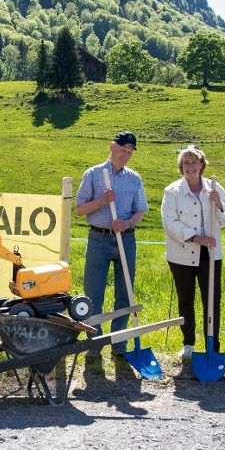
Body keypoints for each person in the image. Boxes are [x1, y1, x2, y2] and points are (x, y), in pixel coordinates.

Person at [75, 131, 149, 361]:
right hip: (98, 239)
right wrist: (102, 201)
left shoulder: (134, 179)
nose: (125, 155)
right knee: (93, 294)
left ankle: (119, 344)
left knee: (125, 293)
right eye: (123, 150)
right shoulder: (94, 174)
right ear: (111, 147)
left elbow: (141, 211)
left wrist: (127, 223)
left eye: (129, 152)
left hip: (125, 239)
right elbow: (79, 209)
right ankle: (94, 344)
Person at [161, 146, 225, 363]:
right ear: (181, 167)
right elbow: (169, 223)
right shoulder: (172, 191)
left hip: (210, 254)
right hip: (181, 254)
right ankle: (188, 345)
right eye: (186, 163)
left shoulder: (214, 187)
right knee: (186, 300)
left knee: (212, 300)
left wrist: (218, 202)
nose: (190, 167)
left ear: (202, 164)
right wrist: (195, 238)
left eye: (194, 162)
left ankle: (213, 345)